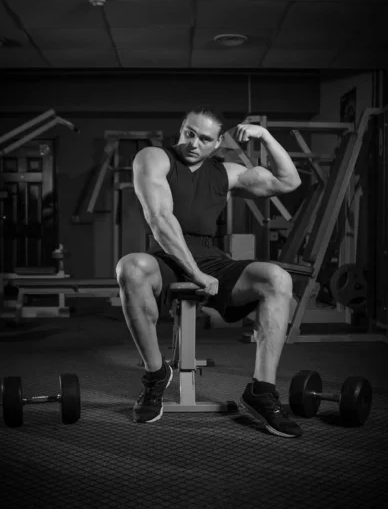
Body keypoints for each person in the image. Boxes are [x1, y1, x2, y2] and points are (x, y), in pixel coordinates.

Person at [116, 106, 303, 438]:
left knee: (278, 278)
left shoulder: (226, 173)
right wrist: (195, 274)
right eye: (189, 133)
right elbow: (160, 219)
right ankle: (156, 375)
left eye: (204, 139)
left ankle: (262, 390)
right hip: (166, 259)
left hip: (212, 258)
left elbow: (289, 182)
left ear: (217, 143)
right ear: (181, 129)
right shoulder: (154, 158)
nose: (193, 143)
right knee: (130, 267)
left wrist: (266, 136)